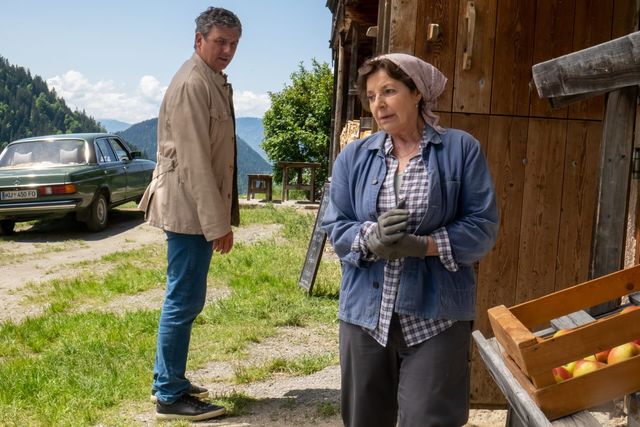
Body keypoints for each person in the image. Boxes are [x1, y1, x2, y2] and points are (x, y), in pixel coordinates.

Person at [321, 53, 499, 427]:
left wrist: (424, 246)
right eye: (372, 96)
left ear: (416, 92)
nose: (379, 104)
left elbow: (482, 227)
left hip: (436, 316)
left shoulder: (461, 150)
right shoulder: (354, 156)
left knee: (428, 419)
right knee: (364, 419)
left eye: (389, 91)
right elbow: (335, 225)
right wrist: (371, 238)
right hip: (365, 316)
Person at [138, 6, 241, 422]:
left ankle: (168, 378)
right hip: (188, 208)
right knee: (183, 299)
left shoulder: (210, 79)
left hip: (193, 205)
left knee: (183, 296)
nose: (227, 50)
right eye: (220, 42)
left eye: (233, 44)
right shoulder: (192, 83)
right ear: (199, 41)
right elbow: (196, 162)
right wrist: (218, 225)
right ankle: (169, 395)